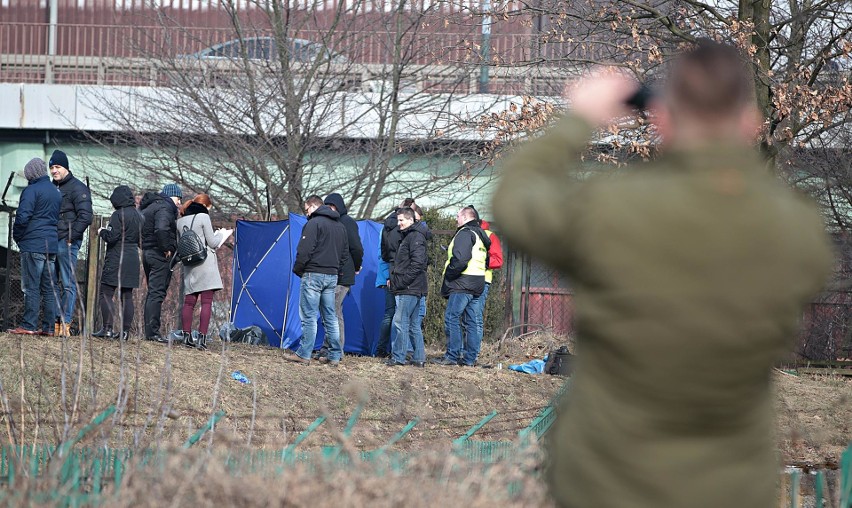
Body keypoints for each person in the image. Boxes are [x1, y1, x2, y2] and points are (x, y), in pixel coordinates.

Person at [492, 41, 833, 508]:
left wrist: (578, 120)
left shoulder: (614, 209)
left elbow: (514, 202)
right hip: (730, 488)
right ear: (750, 124)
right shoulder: (798, 229)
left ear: (664, 120)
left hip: (604, 483)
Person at [285, 195, 349, 366]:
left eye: (306, 210)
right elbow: (344, 255)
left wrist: (299, 269)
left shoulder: (313, 224)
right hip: (332, 276)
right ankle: (335, 355)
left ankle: (304, 353)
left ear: (313, 207)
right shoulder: (340, 227)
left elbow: (304, 250)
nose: (306, 214)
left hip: (313, 273)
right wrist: (335, 270)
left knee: (309, 316)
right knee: (330, 316)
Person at [8, 158, 62, 335]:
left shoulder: (31, 190)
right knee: (48, 288)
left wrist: (18, 237)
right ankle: (48, 328)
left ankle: (28, 325)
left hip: (33, 244)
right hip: (50, 245)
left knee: (31, 286)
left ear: (31, 173)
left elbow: (22, 217)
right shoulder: (56, 192)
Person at [432, 206, 489, 367]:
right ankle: (470, 359)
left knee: (452, 318)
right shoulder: (481, 234)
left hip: (462, 282)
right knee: (472, 321)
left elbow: (460, 259)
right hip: (478, 282)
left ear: (465, 217)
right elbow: (486, 261)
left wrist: (449, 275)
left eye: (458, 216)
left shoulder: (464, 233)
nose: (456, 219)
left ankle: (452, 356)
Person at [176, 194, 232, 348]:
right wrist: (221, 234)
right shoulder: (203, 217)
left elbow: (179, 244)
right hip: (205, 263)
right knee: (206, 302)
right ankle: (201, 339)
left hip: (189, 265)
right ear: (205, 206)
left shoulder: (180, 222)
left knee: (189, 303)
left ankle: (186, 337)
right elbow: (213, 243)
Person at [49, 149, 93, 335]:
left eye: (57, 166)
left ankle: (65, 323)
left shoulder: (78, 188)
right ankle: (55, 323)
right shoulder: (51, 187)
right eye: (51, 167)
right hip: (51, 241)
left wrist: (70, 238)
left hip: (66, 242)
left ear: (65, 167)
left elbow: (85, 216)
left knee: (67, 283)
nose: (54, 171)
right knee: (52, 283)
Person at [315, 193, 363, 358]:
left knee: (333, 312)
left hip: (342, 274)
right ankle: (328, 347)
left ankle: (336, 350)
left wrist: (356, 266)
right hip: (333, 272)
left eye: (331, 206)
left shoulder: (347, 222)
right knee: (330, 312)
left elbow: (356, 247)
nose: (329, 209)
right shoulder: (332, 221)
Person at [94, 185, 142, 340]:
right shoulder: (139, 216)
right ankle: (125, 332)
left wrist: (102, 232)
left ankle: (107, 329)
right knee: (127, 295)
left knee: (106, 292)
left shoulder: (117, 215)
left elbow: (112, 237)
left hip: (116, 256)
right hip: (133, 257)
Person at [386, 207, 428, 367]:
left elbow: (417, 263)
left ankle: (398, 357)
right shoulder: (411, 236)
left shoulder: (414, 237)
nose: (399, 223)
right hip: (415, 286)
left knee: (400, 321)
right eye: (398, 220)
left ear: (411, 220)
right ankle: (419, 358)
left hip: (410, 287)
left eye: (402, 220)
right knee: (413, 324)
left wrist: (403, 281)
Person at [140, 183, 181, 342]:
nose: (179, 202)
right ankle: (153, 333)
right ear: (172, 196)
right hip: (159, 254)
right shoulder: (165, 208)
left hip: (147, 252)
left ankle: (150, 331)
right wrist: (166, 248)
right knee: (156, 293)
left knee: (152, 293)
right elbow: (162, 229)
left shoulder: (149, 207)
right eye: (178, 198)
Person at [375, 197, 415, 357]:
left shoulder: (385, 228)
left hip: (386, 273)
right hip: (396, 275)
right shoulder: (402, 231)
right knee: (401, 315)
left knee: (390, 313)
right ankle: (400, 350)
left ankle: (381, 349)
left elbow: (383, 254)